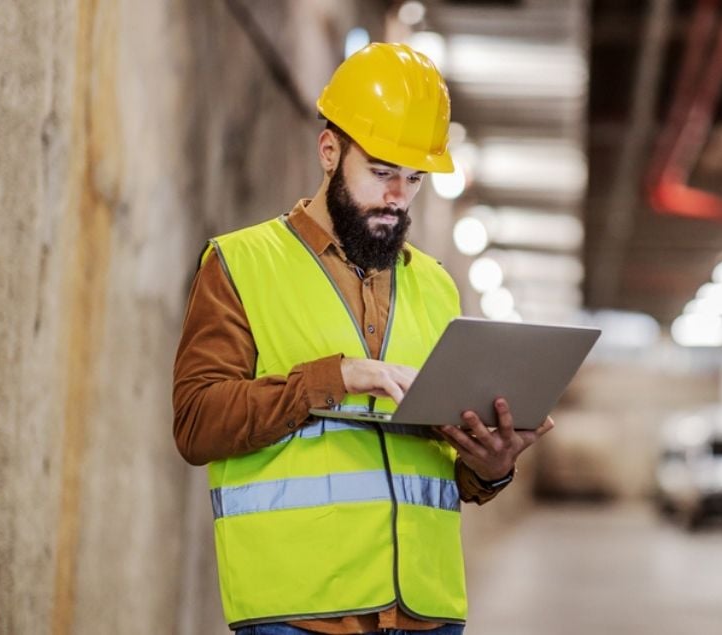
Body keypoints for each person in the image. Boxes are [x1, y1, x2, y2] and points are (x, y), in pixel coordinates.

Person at [172, 43, 553, 634]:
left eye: (413, 179)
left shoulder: (435, 287)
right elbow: (197, 423)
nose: (398, 197)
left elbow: (434, 466)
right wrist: (337, 377)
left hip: (424, 612)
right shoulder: (240, 264)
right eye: (380, 173)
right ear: (329, 151)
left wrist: (491, 466)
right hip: (298, 613)